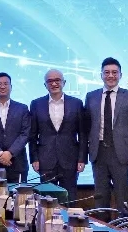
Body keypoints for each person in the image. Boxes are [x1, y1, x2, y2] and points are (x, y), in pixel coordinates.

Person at [85, 58, 128, 210]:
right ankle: (101, 225)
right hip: (99, 153)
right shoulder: (91, 96)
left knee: (123, 198)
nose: (111, 75)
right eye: (107, 72)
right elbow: (87, 126)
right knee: (100, 197)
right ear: (101, 75)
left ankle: (125, 225)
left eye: (114, 72)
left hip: (121, 155)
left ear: (120, 75)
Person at [29, 69, 86, 201]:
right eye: (50, 81)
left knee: (70, 197)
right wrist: (34, 158)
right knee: (46, 199)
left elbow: (83, 133)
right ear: (45, 85)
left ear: (64, 82)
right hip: (45, 159)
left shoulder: (76, 103)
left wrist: (82, 159)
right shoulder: (36, 104)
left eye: (57, 80)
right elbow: (32, 135)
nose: (54, 84)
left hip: (70, 159)